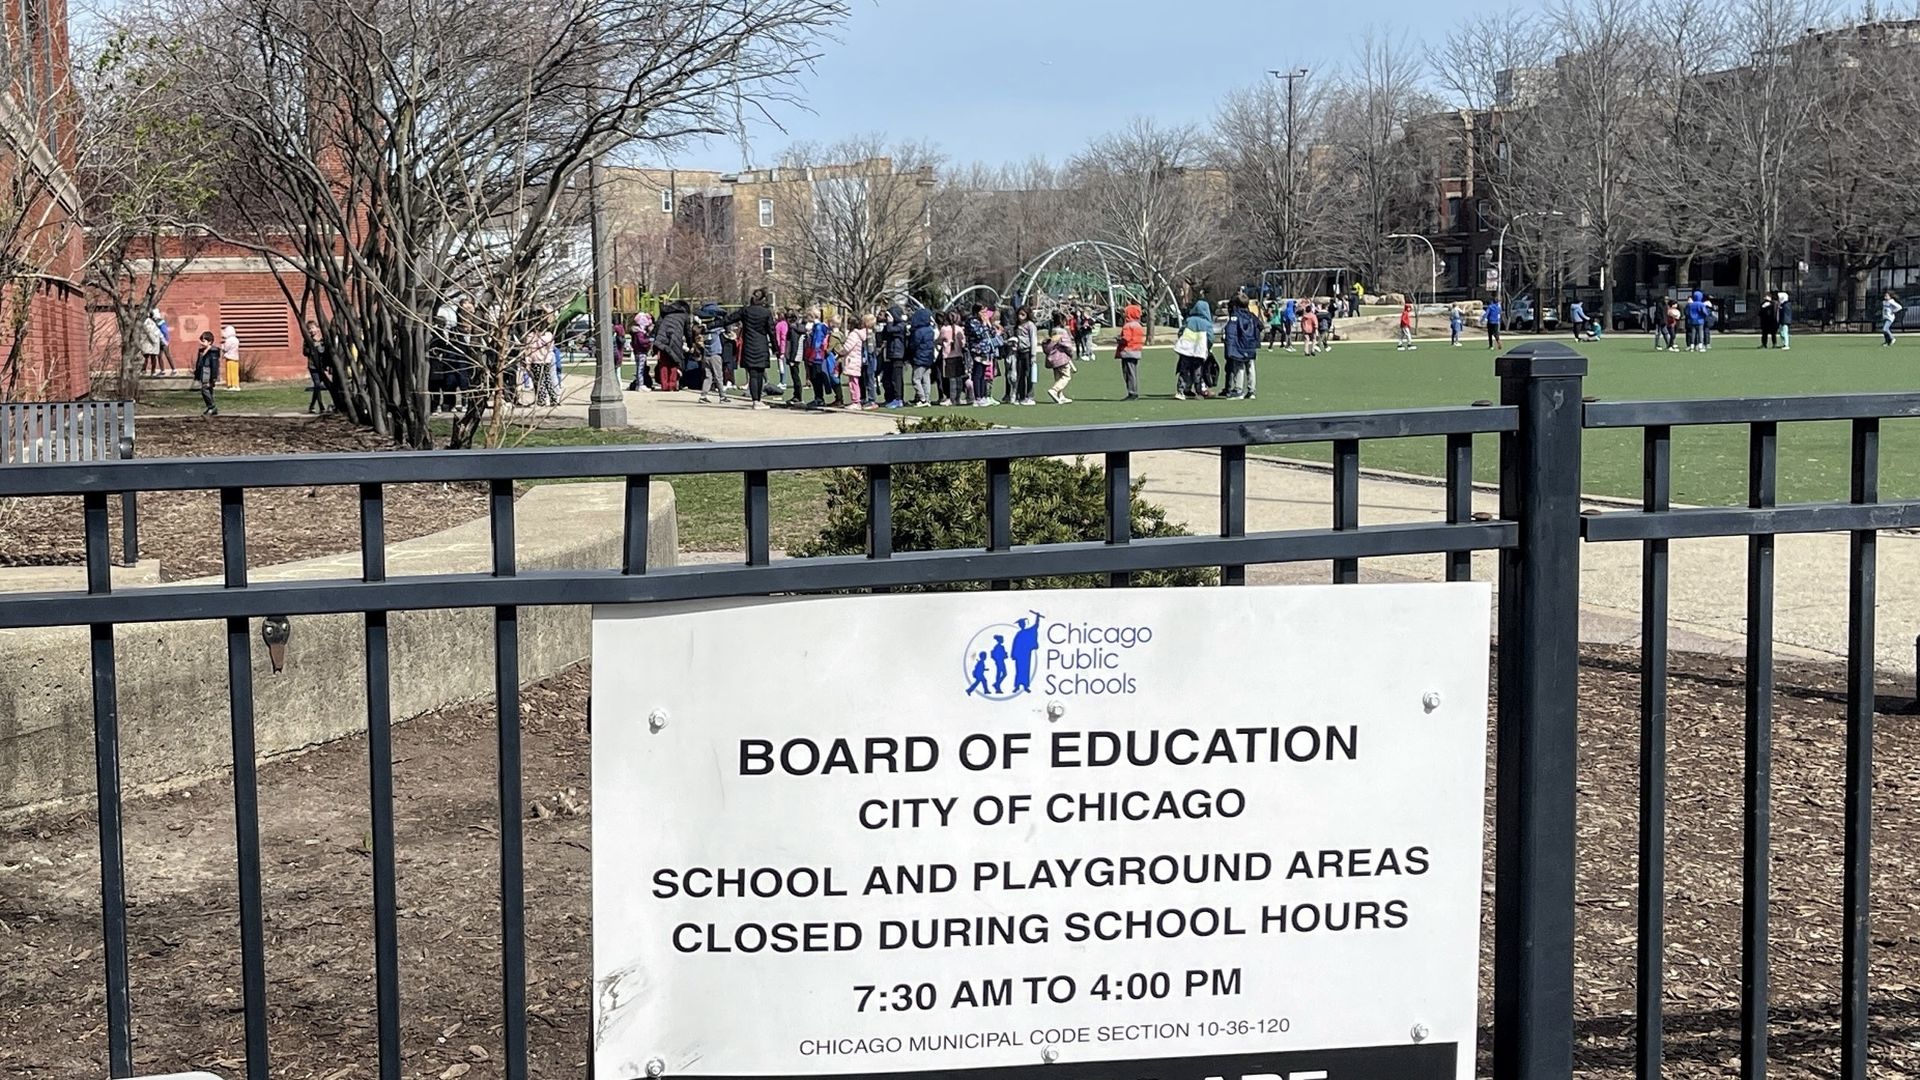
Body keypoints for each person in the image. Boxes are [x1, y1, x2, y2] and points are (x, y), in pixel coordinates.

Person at [715, 288, 777, 409]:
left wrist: (711, 325)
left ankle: (756, 400)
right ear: (763, 299)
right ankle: (757, 400)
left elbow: (728, 319)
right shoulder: (766, 312)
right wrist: (776, 348)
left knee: (753, 374)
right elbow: (772, 331)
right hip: (761, 345)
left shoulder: (745, 311)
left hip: (749, 344)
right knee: (759, 373)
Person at [1174, 300, 1213, 400]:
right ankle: (1199, 392)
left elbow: (1181, 331)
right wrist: (1208, 348)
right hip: (1199, 351)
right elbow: (1210, 337)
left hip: (1186, 350)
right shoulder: (1206, 323)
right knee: (1198, 372)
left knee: (1184, 370)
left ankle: (1181, 391)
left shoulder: (1189, 320)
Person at [1224, 297, 1260, 399]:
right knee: (1250, 366)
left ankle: (1239, 390)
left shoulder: (1235, 316)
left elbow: (1230, 330)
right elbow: (1260, 326)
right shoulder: (1251, 316)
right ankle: (1251, 390)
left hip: (1240, 345)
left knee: (1239, 366)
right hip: (1250, 345)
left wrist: (1230, 345)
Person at [965, 303, 999, 408]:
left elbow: (993, 333)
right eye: (982, 312)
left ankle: (984, 396)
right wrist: (984, 324)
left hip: (987, 351)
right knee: (977, 374)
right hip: (978, 351)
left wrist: (989, 324)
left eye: (985, 312)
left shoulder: (985, 321)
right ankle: (977, 397)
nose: (984, 314)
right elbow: (978, 333)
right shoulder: (972, 322)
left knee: (984, 374)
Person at [1007, 306, 1038, 405]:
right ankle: (1021, 395)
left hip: (1027, 352)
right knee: (1019, 375)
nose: (1020, 317)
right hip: (1018, 352)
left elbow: (1033, 339)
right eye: (1019, 314)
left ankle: (1029, 396)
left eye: (1023, 314)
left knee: (1029, 375)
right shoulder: (1017, 325)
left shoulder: (1030, 325)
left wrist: (1033, 355)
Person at [1043, 312, 1075, 404]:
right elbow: (1067, 345)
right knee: (1066, 376)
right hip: (1062, 357)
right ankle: (1054, 390)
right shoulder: (1062, 332)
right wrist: (1071, 354)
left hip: (1052, 358)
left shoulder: (1051, 331)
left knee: (1058, 377)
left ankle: (1060, 395)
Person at [908, 306, 937, 406]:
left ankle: (922, 398)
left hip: (919, 358)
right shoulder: (930, 330)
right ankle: (927, 398)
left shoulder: (918, 331)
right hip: (928, 358)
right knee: (926, 379)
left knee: (916, 379)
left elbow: (913, 344)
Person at [1114, 304, 1144, 401]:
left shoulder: (1128, 326)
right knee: (1133, 372)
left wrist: (1119, 339)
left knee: (1128, 373)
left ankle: (1132, 392)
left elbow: (1126, 339)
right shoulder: (1138, 325)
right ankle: (1133, 391)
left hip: (1128, 351)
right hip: (1136, 350)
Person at [882, 304, 908, 408]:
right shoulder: (890, 326)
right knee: (887, 377)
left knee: (897, 378)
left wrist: (890, 322)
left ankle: (898, 399)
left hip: (898, 354)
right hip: (891, 354)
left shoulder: (900, 325)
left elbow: (890, 330)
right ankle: (891, 397)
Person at [303, 320, 332, 414]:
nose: (311, 330)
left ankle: (311, 406)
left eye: (312, 328)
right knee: (317, 385)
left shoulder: (323, 339)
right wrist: (312, 347)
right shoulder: (307, 339)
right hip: (313, 366)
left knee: (317, 387)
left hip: (322, 366)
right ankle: (321, 406)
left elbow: (327, 353)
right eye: (309, 329)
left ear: (317, 328)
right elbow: (304, 352)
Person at [193, 331, 220, 416]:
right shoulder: (201, 351)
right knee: (208, 390)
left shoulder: (213, 352)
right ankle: (210, 407)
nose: (201, 343)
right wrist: (197, 374)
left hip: (209, 373)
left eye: (203, 341)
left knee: (205, 389)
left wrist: (214, 377)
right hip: (203, 373)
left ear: (210, 342)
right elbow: (199, 363)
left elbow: (214, 366)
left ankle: (212, 406)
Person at [139, 311, 163, 376]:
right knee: (150, 358)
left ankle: (146, 370)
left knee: (147, 357)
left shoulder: (147, 322)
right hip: (149, 343)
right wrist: (155, 340)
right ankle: (151, 371)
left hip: (148, 343)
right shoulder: (148, 322)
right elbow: (150, 332)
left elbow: (152, 332)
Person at [220, 325, 242, 389]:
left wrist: (222, 346)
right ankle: (236, 385)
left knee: (230, 372)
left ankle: (231, 385)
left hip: (229, 358)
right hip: (236, 357)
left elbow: (226, 348)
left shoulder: (228, 340)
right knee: (235, 372)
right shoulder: (236, 340)